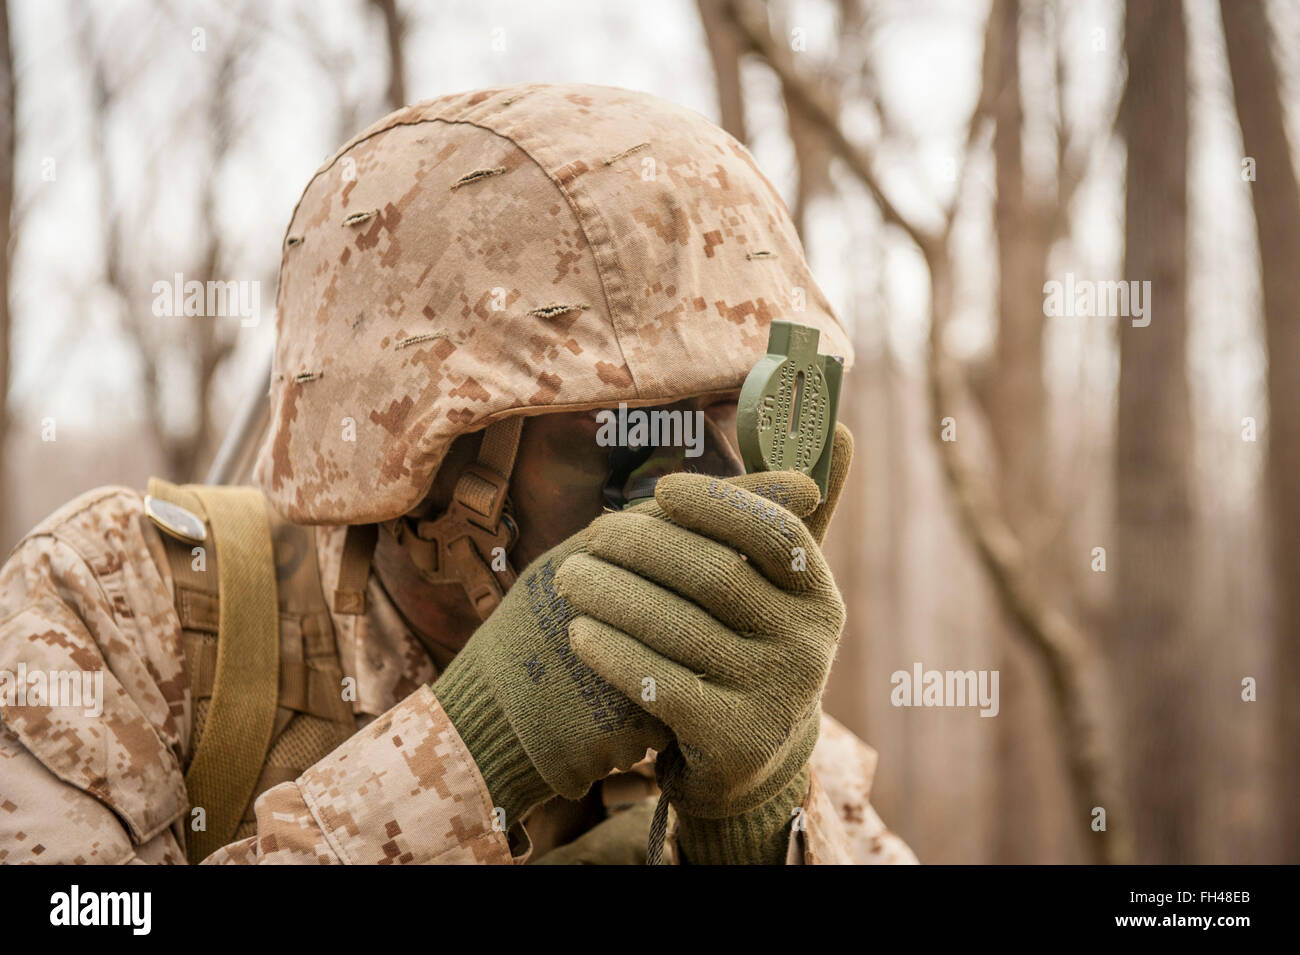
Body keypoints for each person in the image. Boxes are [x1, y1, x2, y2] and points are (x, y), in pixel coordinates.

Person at [0, 83, 915, 865]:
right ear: (430, 460)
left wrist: (758, 825)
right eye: (645, 427)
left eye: (738, 414)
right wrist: (470, 757)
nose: (715, 478)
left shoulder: (738, 703)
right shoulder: (126, 612)